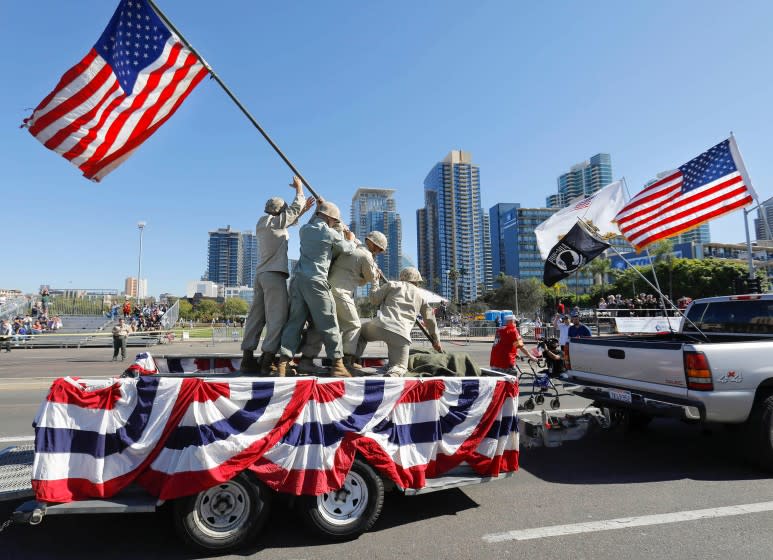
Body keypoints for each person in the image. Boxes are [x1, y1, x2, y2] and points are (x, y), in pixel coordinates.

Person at [240, 176, 315, 374]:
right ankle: (267, 360)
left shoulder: (264, 223)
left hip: (261, 275)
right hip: (274, 276)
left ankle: (247, 359)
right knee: (277, 319)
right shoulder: (275, 223)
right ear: (279, 212)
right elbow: (290, 214)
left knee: (256, 317)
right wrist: (299, 189)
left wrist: (302, 211)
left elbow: (289, 219)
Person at [276, 199, 357, 377]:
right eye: (334, 221)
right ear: (330, 219)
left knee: (294, 322)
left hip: (298, 282)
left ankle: (283, 364)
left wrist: (322, 208)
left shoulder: (305, 230)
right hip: (316, 281)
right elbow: (348, 249)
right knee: (329, 322)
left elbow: (317, 221)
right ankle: (338, 365)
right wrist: (350, 239)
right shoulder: (328, 233)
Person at [298, 229, 386, 374]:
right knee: (353, 325)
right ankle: (346, 362)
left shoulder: (350, 248)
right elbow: (371, 280)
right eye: (378, 248)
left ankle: (306, 360)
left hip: (326, 290)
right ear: (372, 244)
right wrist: (376, 275)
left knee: (322, 325)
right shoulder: (366, 256)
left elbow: (357, 279)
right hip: (340, 293)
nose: (378, 252)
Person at [355, 267, 441, 377]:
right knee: (399, 368)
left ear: (402, 278)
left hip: (381, 325)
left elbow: (374, 299)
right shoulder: (421, 295)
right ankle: (394, 374)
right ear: (417, 281)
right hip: (401, 334)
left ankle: (349, 360)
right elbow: (430, 319)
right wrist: (436, 340)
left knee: (360, 332)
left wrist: (375, 282)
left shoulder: (392, 285)